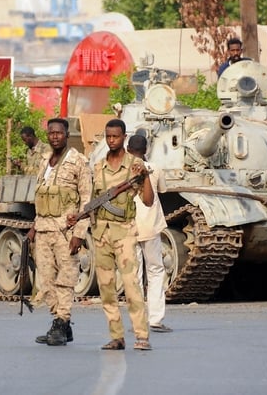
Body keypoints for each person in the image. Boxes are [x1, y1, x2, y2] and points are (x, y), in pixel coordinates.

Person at [77, 119, 152, 351]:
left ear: (124, 137)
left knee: (131, 287)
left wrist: (146, 176)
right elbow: (91, 199)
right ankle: (117, 336)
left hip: (124, 233)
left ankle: (142, 336)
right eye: (108, 137)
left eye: (116, 137)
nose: (111, 141)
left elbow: (148, 200)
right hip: (101, 233)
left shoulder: (134, 166)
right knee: (107, 289)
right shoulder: (98, 167)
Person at [28, 118, 92, 346]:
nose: (55, 136)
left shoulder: (78, 162)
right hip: (44, 229)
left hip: (66, 231)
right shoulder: (45, 160)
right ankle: (60, 322)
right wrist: (34, 226)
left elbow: (87, 200)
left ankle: (62, 321)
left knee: (65, 280)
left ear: (67, 135)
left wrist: (80, 233)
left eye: (59, 133)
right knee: (45, 281)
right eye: (51, 133)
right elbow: (42, 194)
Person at [127, 135, 173, 332]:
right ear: (146, 149)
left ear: (128, 148)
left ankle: (137, 320)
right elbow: (162, 190)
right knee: (155, 271)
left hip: (129, 226)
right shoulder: (155, 168)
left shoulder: (122, 169)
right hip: (150, 226)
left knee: (134, 275)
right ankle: (155, 319)